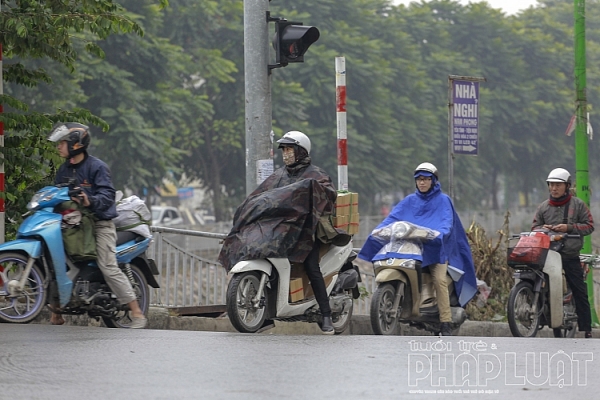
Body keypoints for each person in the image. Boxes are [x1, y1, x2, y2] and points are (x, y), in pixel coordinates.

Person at [218, 131, 350, 334]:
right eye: (284, 150)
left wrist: (311, 188)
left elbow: (329, 194)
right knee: (254, 247)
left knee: (311, 266)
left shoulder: (316, 175)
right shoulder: (279, 175)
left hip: (306, 231)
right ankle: (268, 311)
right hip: (280, 231)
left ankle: (325, 315)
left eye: (289, 149)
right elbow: (262, 196)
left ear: (301, 151)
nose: (286, 154)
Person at [358, 162, 477, 336]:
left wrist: (438, 234)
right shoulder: (409, 201)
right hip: (410, 247)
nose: (422, 183)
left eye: (426, 179)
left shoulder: (443, 200)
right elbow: (392, 218)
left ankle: (445, 320)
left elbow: (446, 222)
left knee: (439, 279)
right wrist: (379, 230)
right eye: (419, 179)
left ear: (433, 181)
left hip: (435, 248)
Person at [47, 122, 147, 329]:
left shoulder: (97, 167)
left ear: (76, 144)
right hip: (73, 226)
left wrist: (88, 199)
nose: (59, 147)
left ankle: (137, 312)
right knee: (54, 259)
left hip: (100, 224)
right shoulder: (63, 170)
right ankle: (56, 313)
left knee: (107, 265)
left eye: (63, 143)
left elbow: (107, 196)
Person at [532, 167, 594, 338]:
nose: (554, 188)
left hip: (569, 255)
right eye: (551, 185)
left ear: (567, 186)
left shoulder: (578, 204)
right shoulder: (543, 207)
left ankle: (586, 328)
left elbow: (589, 226)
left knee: (579, 290)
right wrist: (542, 229)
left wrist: (569, 228)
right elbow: (534, 227)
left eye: (558, 185)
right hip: (547, 255)